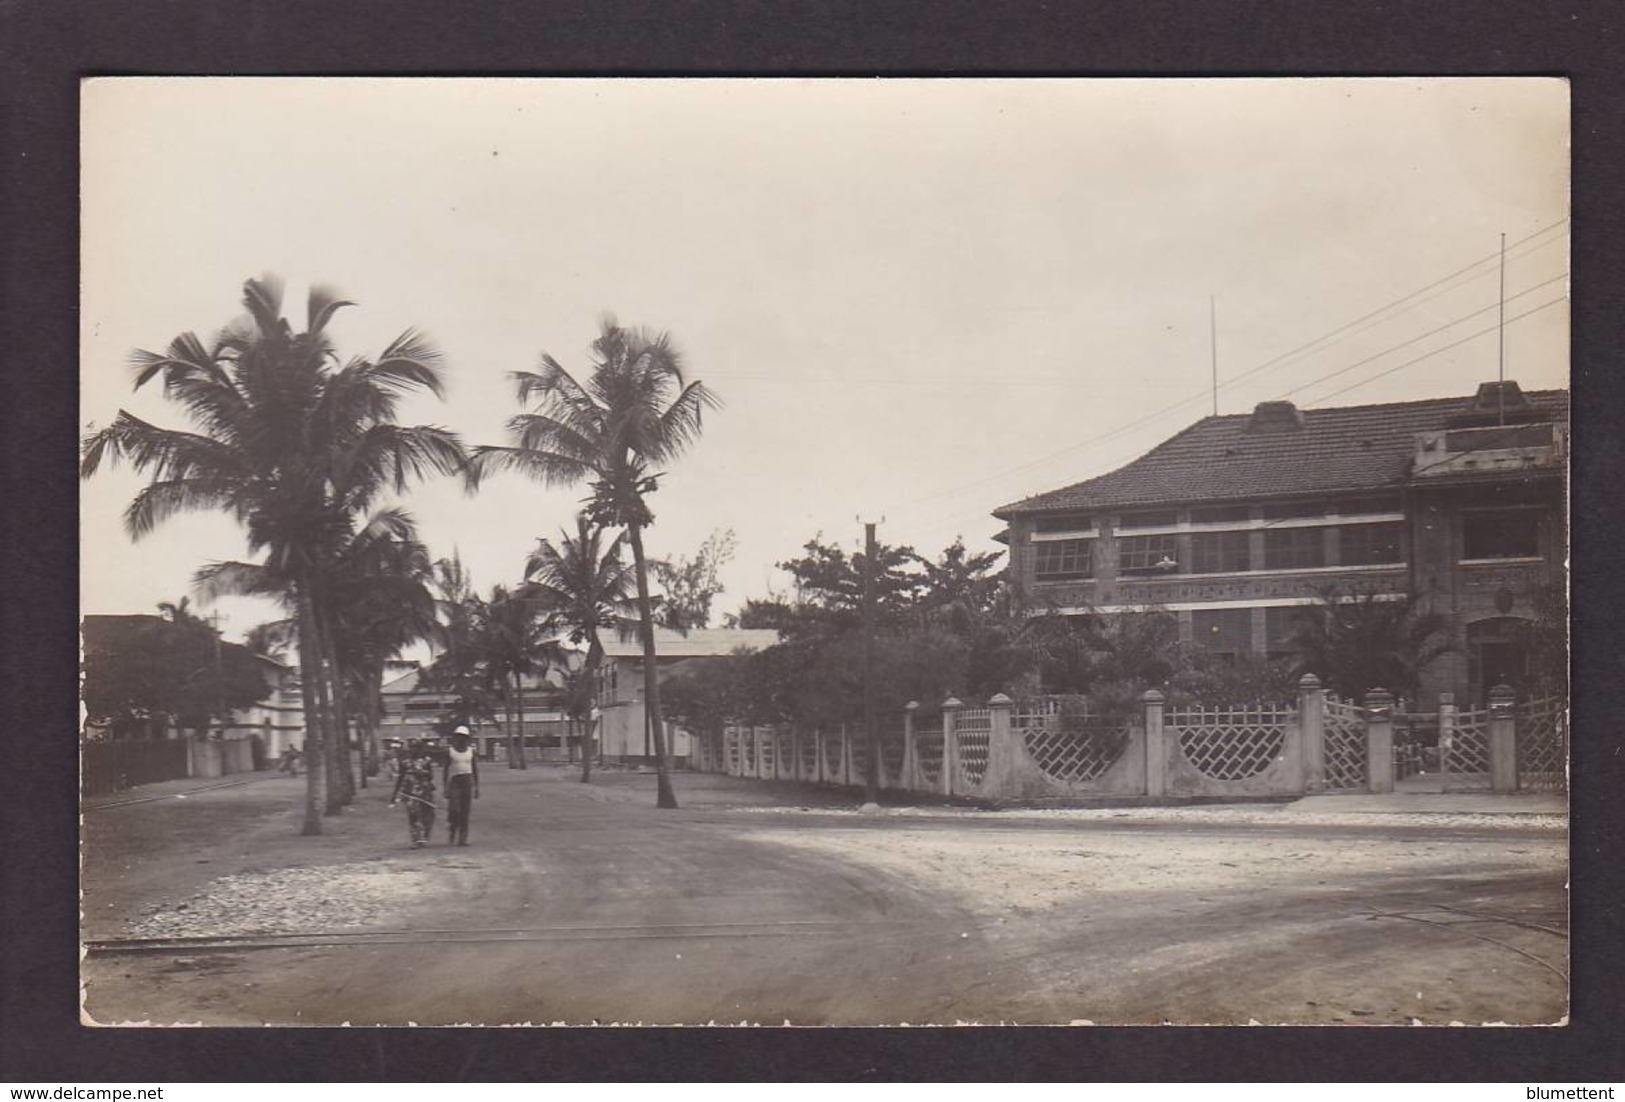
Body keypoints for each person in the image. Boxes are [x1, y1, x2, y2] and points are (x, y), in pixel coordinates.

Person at [389, 738, 438, 848]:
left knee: (428, 815)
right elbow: (400, 778)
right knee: (413, 815)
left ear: (420, 749)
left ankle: (424, 837)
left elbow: (431, 776)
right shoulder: (405, 763)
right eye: (411, 748)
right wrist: (395, 795)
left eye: (416, 747)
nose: (413, 750)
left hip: (425, 792)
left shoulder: (426, 761)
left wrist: (421, 772)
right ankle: (416, 839)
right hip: (410, 792)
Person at [442, 725, 481, 846]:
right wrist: (445, 787)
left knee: (465, 811)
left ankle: (463, 838)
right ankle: (453, 829)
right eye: (459, 737)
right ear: (455, 738)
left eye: (464, 737)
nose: (461, 740)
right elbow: (445, 770)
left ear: (467, 738)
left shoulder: (471, 751)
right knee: (454, 809)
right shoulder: (450, 751)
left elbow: (475, 769)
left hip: (467, 780)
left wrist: (477, 787)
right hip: (455, 781)